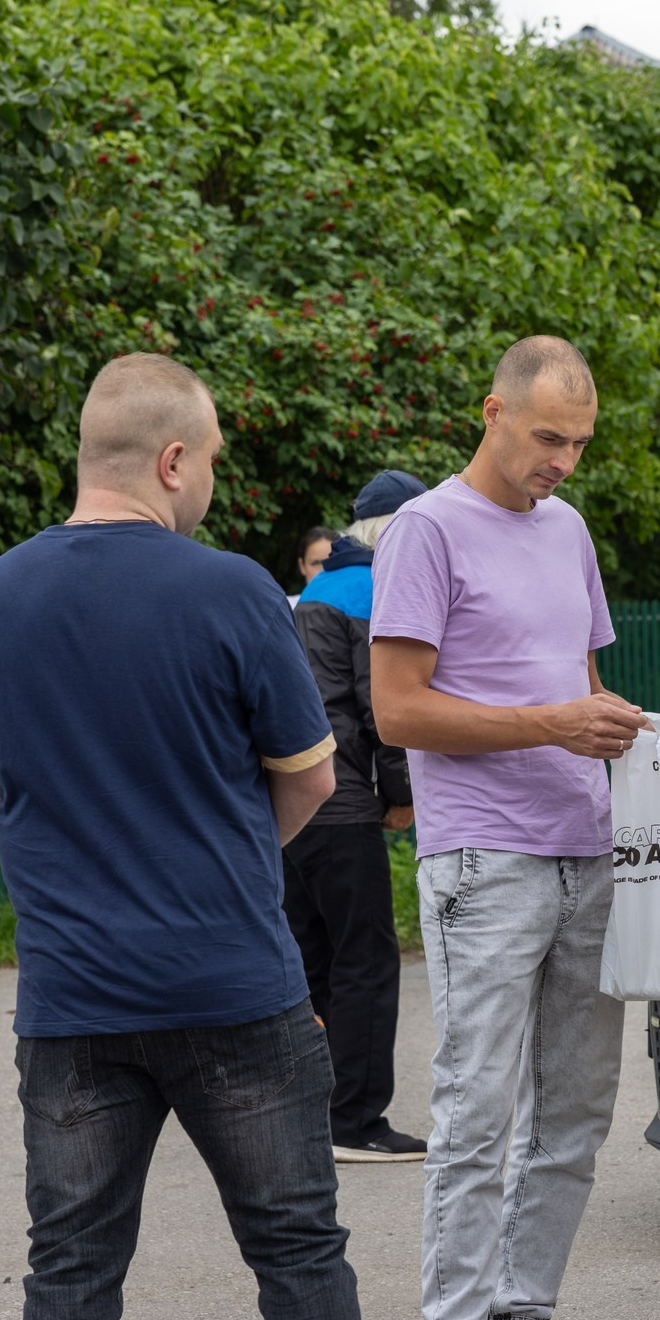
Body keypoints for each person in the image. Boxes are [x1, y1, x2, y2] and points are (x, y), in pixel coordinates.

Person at [0, 353, 428, 1320]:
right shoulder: (231, 592)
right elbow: (309, 778)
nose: (209, 480)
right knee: (298, 1255)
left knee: (70, 1274)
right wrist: (221, 859)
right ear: (170, 460)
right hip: (234, 985)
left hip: (73, 999)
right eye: (206, 459)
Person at [368, 335, 647, 1320]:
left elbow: (577, 685)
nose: (563, 461)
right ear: (491, 411)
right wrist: (553, 724)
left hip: (587, 849)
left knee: (575, 1114)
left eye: (578, 442)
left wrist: (611, 726)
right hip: (484, 858)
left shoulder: (567, 529)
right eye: (546, 437)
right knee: (476, 1116)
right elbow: (396, 711)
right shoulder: (426, 529)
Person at [287, 470, 423, 1162]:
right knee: (366, 962)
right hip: (345, 805)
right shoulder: (377, 590)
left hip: (294, 808)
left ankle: (310, 1112)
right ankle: (358, 1122)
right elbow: (384, 709)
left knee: (314, 961)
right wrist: (402, 794)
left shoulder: (316, 591)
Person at [292, 524, 341, 605]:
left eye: (330, 562)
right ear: (302, 566)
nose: (323, 570)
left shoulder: (355, 610)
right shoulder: (286, 608)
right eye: (315, 563)